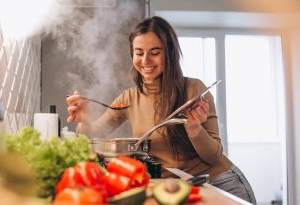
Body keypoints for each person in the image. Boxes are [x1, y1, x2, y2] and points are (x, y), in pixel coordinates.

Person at [66, 16, 256, 204]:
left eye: (155, 52)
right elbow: (93, 134)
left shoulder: (194, 89)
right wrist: (84, 119)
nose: (145, 60)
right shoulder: (129, 98)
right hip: (178, 187)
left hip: (220, 183)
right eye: (139, 52)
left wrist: (194, 129)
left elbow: (214, 157)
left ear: (169, 53)